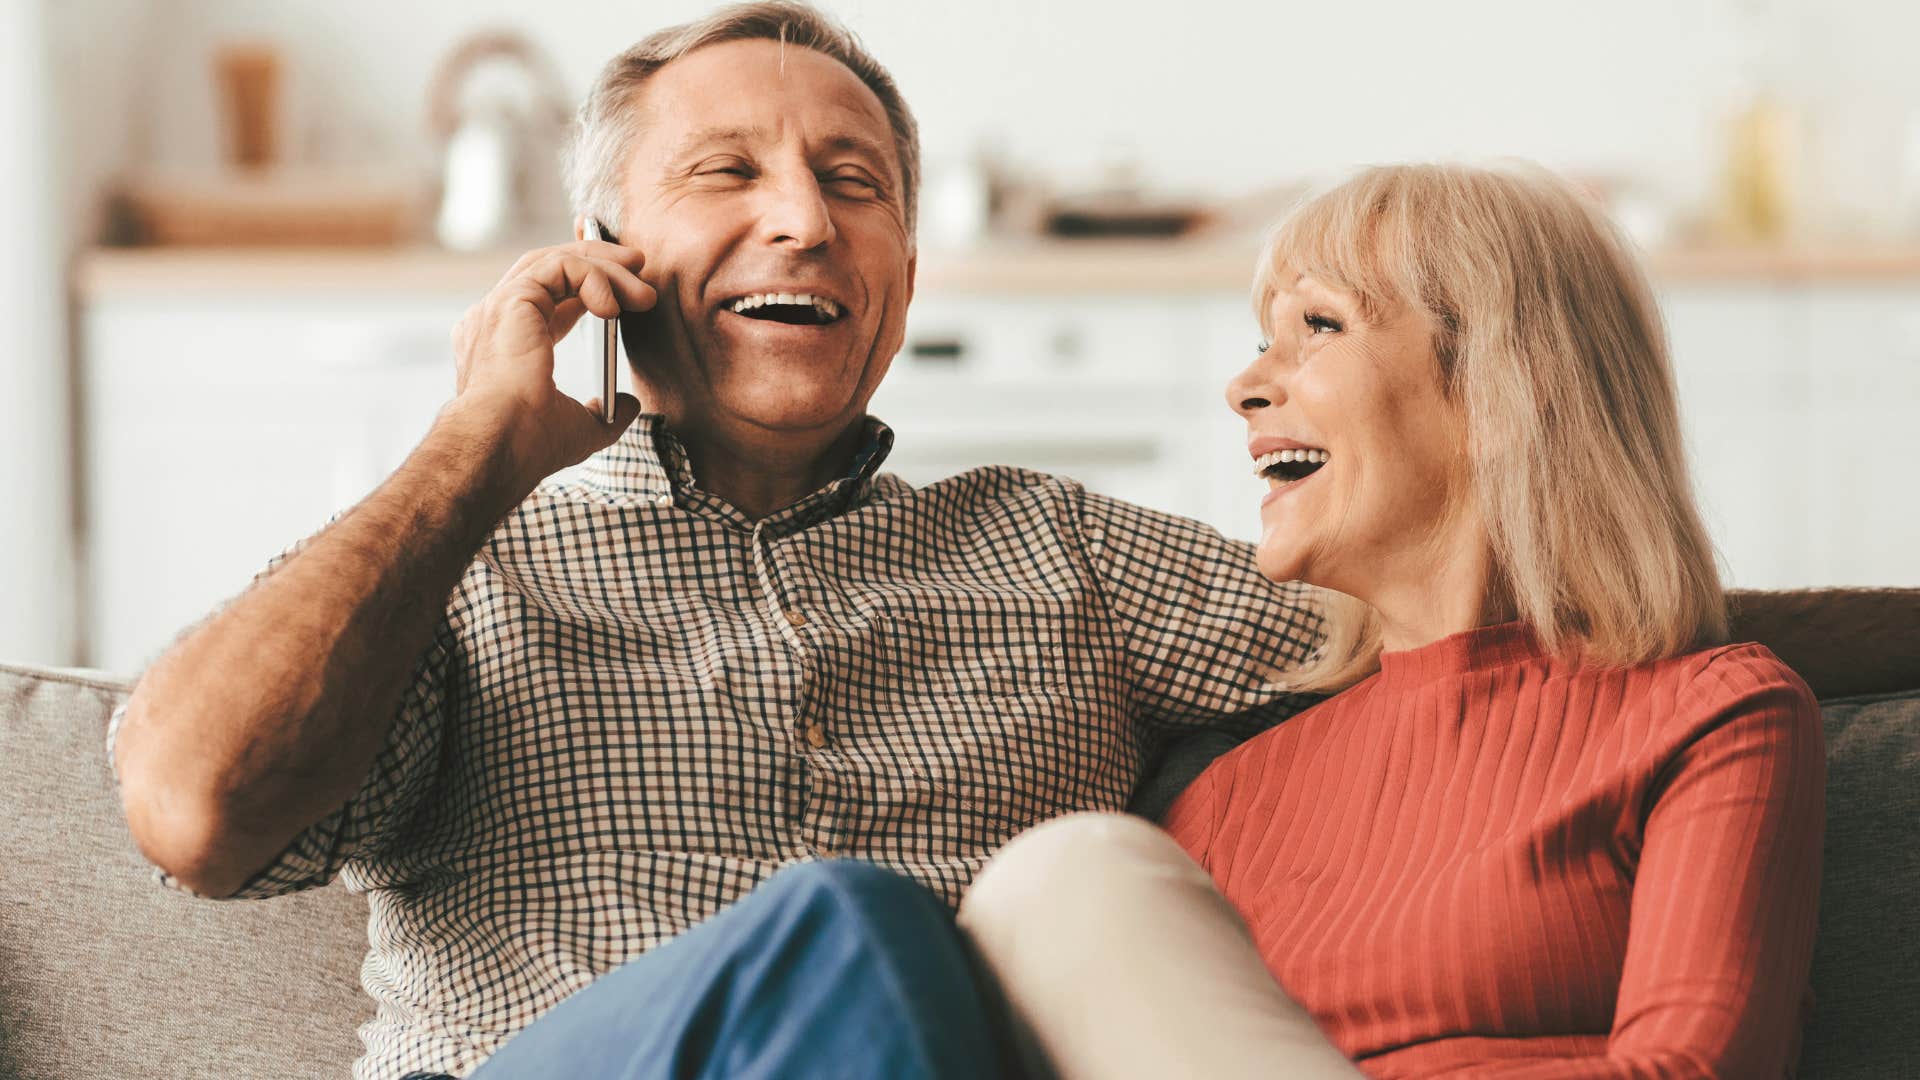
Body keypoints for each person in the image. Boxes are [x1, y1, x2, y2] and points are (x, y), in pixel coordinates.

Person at [106, 4, 1909, 1077]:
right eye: (725, 175)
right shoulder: (467, 575)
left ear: (900, 279)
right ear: (605, 251)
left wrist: (1746, 641)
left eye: (858, 183)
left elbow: (1479, 614)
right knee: (855, 934)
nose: (803, 219)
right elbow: (188, 808)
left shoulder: (1062, 559)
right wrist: (471, 452)